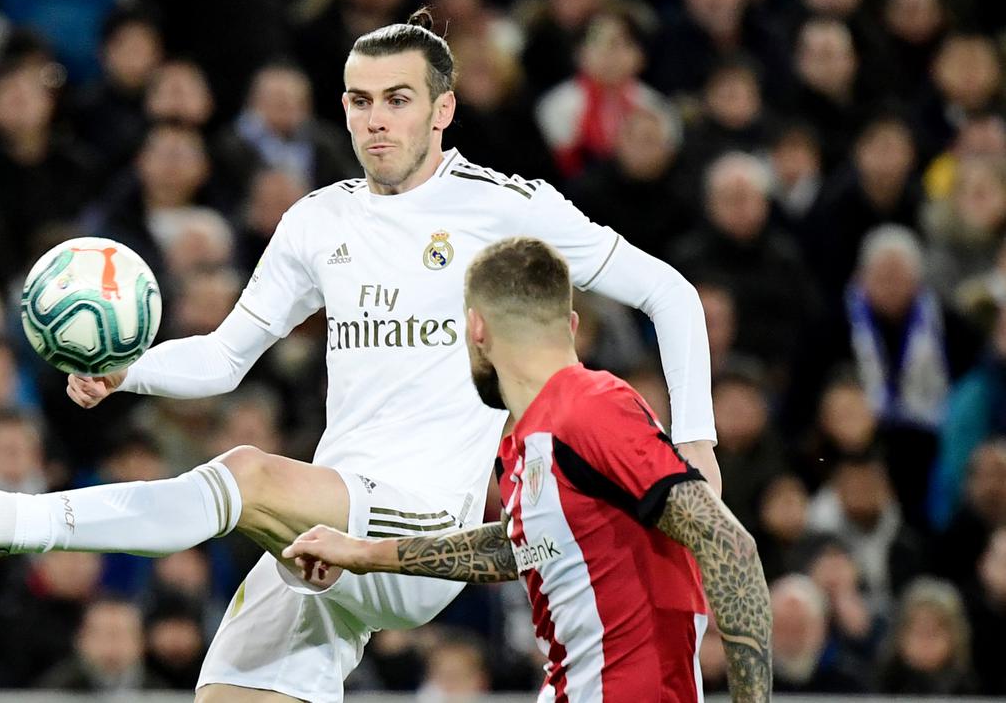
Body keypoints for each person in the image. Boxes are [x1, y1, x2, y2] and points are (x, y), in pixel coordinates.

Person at [0, 10, 720, 703]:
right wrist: (125, 372)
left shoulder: (502, 208)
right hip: (317, 533)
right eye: (358, 101)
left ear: (443, 111)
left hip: (421, 532)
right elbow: (222, 360)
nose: (374, 120)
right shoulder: (319, 220)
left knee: (245, 472)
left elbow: (671, 295)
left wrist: (695, 448)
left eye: (397, 100)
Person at [283, 237, 770, 702]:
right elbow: (518, 543)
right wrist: (363, 553)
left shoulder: (593, 407)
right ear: (572, 325)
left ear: (476, 329)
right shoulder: (527, 440)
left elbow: (729, 544)